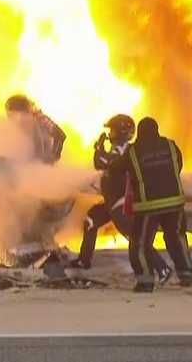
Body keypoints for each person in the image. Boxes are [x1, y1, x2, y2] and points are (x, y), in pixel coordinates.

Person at [69, 114, 170, 275]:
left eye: (113, 131)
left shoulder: (129, 151)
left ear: (122, 132)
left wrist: (98, 149)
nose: (110, 135)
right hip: (111, 202)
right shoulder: (118, 150)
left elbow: (102, 162)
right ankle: (84, 260)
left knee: (135, 239)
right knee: (90, 221)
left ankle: (162, 267)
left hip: (122, 204)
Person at [108, 116, 192, 292]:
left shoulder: (134, 151)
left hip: (149, 205)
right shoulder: (170, 145)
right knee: (176, 237)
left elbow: (116, 168)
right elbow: (178, 164)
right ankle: (186, 274)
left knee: (140, 243)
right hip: (174, 202)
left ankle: (145, 281)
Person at [5, 94, 67, 165]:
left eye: (12, 111)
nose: (9, 116)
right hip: (26, 162)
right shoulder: (12, 122)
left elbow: (60, 135)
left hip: (40, 162)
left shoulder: (40, 118)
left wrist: (53, 158)